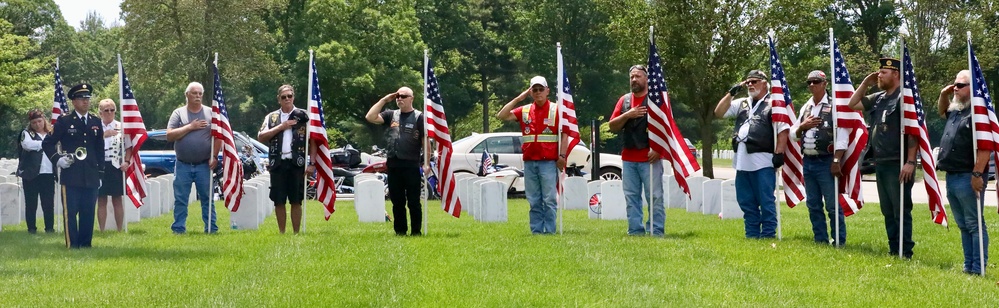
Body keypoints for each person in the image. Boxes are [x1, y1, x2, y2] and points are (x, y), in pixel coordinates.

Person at [847, 58, 917, 259]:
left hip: (898, 162)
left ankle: (905, 251)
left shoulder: (904, 98)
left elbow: (913, 133)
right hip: (881, 162)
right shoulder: (878, 98)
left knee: (900, 209)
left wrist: (910, 162)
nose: (879, 75)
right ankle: (893, 249)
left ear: (896, 74)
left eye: (883, 72)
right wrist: (865, 84)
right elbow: (853, 104)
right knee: (887, 210)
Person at [713, 70, 789, 239]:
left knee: (766, 200)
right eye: (748, 82)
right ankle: (752, 234)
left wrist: (779, 153)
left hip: (763, 160)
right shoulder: (742, 103)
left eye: (754, 81)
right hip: (742, 161)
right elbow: (719, 112)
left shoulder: (773, 103)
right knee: (746, 201)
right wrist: (731, 93)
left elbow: (783, 130)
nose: (750, 85)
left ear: (764, 83)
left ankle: (768, 234)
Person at [497, 76, 569, 234]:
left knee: (549, 199)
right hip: (530, 162)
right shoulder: (525, 110)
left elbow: (565, 134)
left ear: (547, 91)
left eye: (541, 89)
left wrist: (562, 156)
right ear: (530, 92)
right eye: (534, 90)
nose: (538, 93)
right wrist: (519, 98)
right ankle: (536, 231)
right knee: (534, 199)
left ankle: (549, 231)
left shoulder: (557, 110)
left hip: (549, 162)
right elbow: (501, 115)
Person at [935, 70, 989, 274]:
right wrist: (943, 94)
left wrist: (977, 174)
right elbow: (942, 112)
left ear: (972, 89)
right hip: (952, 175)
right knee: (964, 225)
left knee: (974, 224)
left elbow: (985, 147)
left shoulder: (978, 114)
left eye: (960, 86)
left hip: (968, 176)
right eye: (954, 85)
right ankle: (969, 266)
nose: (955, 88)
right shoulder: (957, 110)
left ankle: (978, 267)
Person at [43, 84, 105, 248]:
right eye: (81, 98)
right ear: (74, 102)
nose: (85, 101)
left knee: (88, 211)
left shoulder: (95, 121)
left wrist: (100, 173)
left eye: (87, 98)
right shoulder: (64, 121)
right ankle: (72, 244)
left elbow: (99, 149)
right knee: (70, 212)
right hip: (71, 173)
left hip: (90, 173)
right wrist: (58, 159)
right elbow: (48, 143)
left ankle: (86, 244)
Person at [792, 70, 849, 245]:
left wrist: (836, 160)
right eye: (809, 82)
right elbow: (793, 134)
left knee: (832, 205)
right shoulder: (806, 107)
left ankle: (838, 240)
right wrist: (802, 126)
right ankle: (820, 239)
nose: (811, 85)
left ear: (825, 84)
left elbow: (843, 135)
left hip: (827, 161)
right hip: (808, 161)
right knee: (813, 204)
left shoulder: (834, 106)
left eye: (815, 81)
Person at [608, 65, 665, 236]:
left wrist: (659, 150)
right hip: (629, 158)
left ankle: (656, 230)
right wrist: (628, 114)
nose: (634, 80)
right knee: (631, 197)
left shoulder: (656, 100)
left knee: (654, 197)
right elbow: (612, 126)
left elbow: (666, 127)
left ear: (647, 79)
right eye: (632, 77)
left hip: (650, 158)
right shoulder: (624, 101)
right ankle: (635, 231)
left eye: (638, 76)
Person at [365, 87, 426, 236]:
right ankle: (400, 231)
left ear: (411, 98)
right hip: (394, 164)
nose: (400, 98)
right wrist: (385, 100)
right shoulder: (391, 115)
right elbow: (370, 117)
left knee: (413, 202)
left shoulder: (419, 117)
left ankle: (416, 232)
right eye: (398, 96)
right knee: (397, 202)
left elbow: (425, 140)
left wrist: (426, 162)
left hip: (411, 164)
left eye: (403, 96)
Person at [258, 85, 315, 234]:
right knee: (279, 200)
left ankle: (296, 233)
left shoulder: (303, 116)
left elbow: (314, 140)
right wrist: (281, 127)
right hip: (278, 162)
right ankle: (282, 232)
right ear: (279, 99)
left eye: (290, 96)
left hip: (297, 162)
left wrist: (312, 163)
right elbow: (262, 136)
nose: (287, 99)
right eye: (284, 97)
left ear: (293, 97)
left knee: (296, 200)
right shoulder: (271, 117)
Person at [167, 82, 222, 234]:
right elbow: (170, 135)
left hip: (204, 164)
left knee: (207, 198)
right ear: (187, 95)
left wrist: (215, 156)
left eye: (200, 94)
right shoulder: (179, 114)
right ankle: (178, 228)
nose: (198, 96)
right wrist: (190, 127)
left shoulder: (211, 114)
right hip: (183, 164)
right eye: (194, 93)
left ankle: (211, 228)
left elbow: (219, 138)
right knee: (181, 199)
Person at [17, 109, 55, 234]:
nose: (37, 125)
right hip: (31, 173)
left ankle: (49, 228)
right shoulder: (26, 133)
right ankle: (31, 229)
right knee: (31, 203)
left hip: (48, 173)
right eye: (34, 123)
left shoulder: (51, 133)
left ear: (44, 120)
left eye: (39, 121)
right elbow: (28, 145)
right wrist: (46, 144)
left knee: (48, 203)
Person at [96, 99, 132, 232]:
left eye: (112, 110)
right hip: (100, 164)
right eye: (106, 110)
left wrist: (127, 162)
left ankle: (119, 229)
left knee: (117, 198)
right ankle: (101, 230)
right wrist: (104, 135)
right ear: (100, 113)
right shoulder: (96, 127)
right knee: (101, 199)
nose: (110, 113)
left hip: (116, 164)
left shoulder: (121, 126)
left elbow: (129, 147)